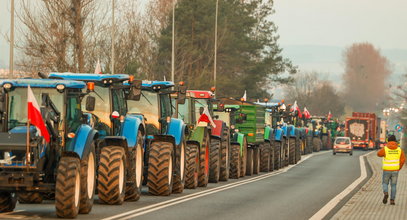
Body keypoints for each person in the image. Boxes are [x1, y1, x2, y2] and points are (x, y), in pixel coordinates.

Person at [377, 135, 405, 205]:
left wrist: (384, 153)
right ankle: (392, 200)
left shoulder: (386, 149)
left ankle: (386, 192)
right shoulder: (399, 150)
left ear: (388, 141)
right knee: (394, 185)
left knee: (385, 183)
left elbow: (378, 154)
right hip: (395, 170)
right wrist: (399, 167)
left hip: (386, 170)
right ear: (395, 141)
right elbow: (403, 160)